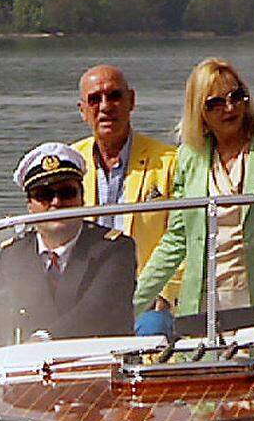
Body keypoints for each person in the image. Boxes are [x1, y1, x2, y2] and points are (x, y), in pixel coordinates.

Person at [133, 58, 254, 329]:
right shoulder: (188, 157)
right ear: (199, 111)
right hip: (203, 301)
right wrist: (131, 304)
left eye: (235, 96)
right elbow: (177, 238)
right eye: (215, 103)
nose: (229, 108)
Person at [0, 142, 136, 349]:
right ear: (30, 207)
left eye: (67, 193)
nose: (57, 202)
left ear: (82, 199)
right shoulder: (13, 255)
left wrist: (43, 340)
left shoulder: (115, 249)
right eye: (44, 195)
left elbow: (97, 308)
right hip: (32, 372)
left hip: (102, 369)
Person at [71, 65, 178, 278]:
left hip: (148, 294)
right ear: (82, 110)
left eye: (114, 96)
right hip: (84, 290)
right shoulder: (71, 162)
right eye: (95, 99)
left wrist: (165, 295)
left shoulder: (170, 162)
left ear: (131, 101)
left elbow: (184, 238)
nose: (105, 106)